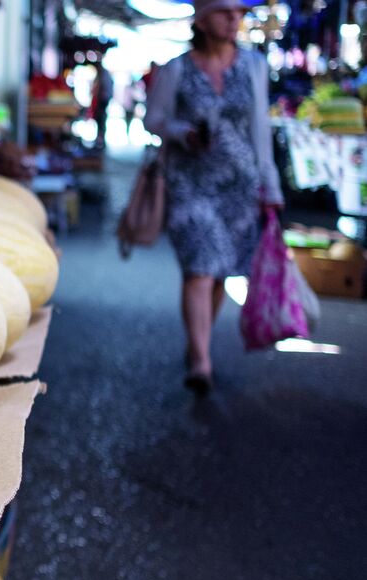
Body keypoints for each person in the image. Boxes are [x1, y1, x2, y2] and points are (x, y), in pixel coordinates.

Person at [143, 0, 284, 393]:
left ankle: (197, 343)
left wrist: (270, 185)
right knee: (200, 267)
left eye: (238, 13)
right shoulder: (176, 68)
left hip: (240, 186)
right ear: (203, 21)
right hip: (189, 183)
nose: (234, 19)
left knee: (220, 270)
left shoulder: (254, 66)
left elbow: (261, 130)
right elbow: (153, 119)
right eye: (225, 12)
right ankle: (201, 360)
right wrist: (182, 132)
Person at [92, 61, 114, 148]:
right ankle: (100, 139)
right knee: (100, 119)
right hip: (103, 99)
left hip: (103, 100)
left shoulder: (103, 74)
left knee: (101, 119)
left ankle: (100, 139)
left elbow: (103, 87)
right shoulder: (104, 74)